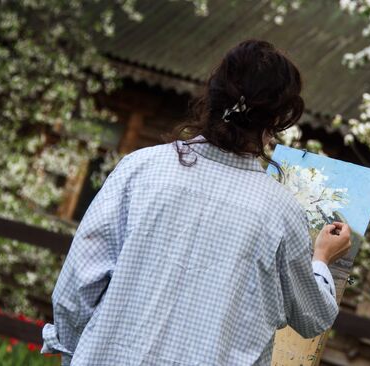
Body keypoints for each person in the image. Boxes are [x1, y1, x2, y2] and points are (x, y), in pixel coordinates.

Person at [41, 39, 352, 366]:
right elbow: (312, 317)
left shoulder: (141, 167)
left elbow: (76, 291)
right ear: (275, 121)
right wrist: (321, 259)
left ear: (213, 95)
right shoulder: (281, 211)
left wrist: (80, 352)